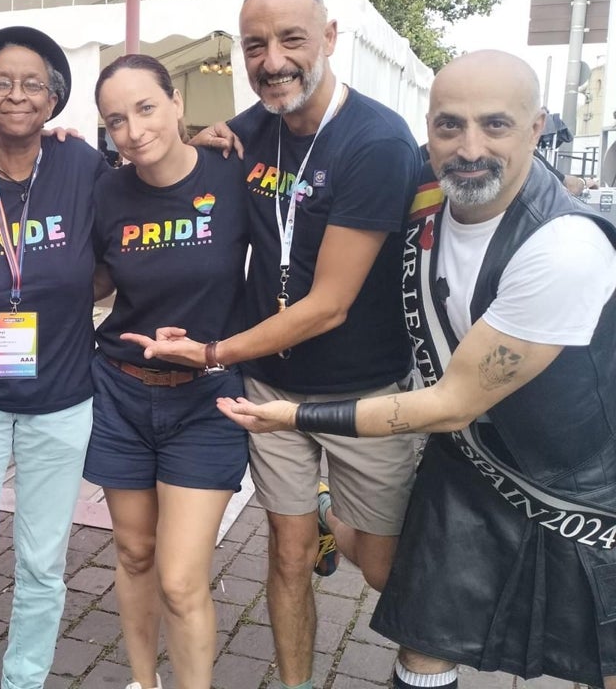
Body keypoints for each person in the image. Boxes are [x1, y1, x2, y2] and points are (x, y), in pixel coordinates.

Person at [217, 49, 616, 689]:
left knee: (598, 659)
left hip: (572, 492)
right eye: (450, 125)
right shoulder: (425, 202)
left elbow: (452, 401)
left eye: (496, 125)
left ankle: (330, 512)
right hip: (470, 462)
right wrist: (203, 135)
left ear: (537, 127)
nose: (469, 147)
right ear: (425, 127)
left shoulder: (563, 247)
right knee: (425, 636)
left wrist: (295, 417)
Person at [127, 0, 423, 689]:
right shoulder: (252, 129)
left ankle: (343, 528)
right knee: (287, 553)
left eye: (291, 38)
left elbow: (329, 305)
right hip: (272, 385)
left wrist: (214, 353)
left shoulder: (376, 141)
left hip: (363, 389)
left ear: (328, 38)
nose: (272, 60)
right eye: (255, 45)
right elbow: (192, 183)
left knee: (381, 567)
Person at [0, 25, 105, 689]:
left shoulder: (83, 166)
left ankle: (27, 678)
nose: (16, 94)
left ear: (54, 99)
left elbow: (153, 188)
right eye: (0, 82)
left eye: (33, 83)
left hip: (62, 403)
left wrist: (209, 142)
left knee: (42, 564)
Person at [86, 55, 249, 689]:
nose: (133, 131)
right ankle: (142, 680)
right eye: (115, 120)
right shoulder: (103, 191)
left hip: (206, 398)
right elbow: (94, 275)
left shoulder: (233, 174)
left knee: (181, 579)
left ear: (177, 102)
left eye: (146, 108)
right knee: (133, 554)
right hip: (121, 393)